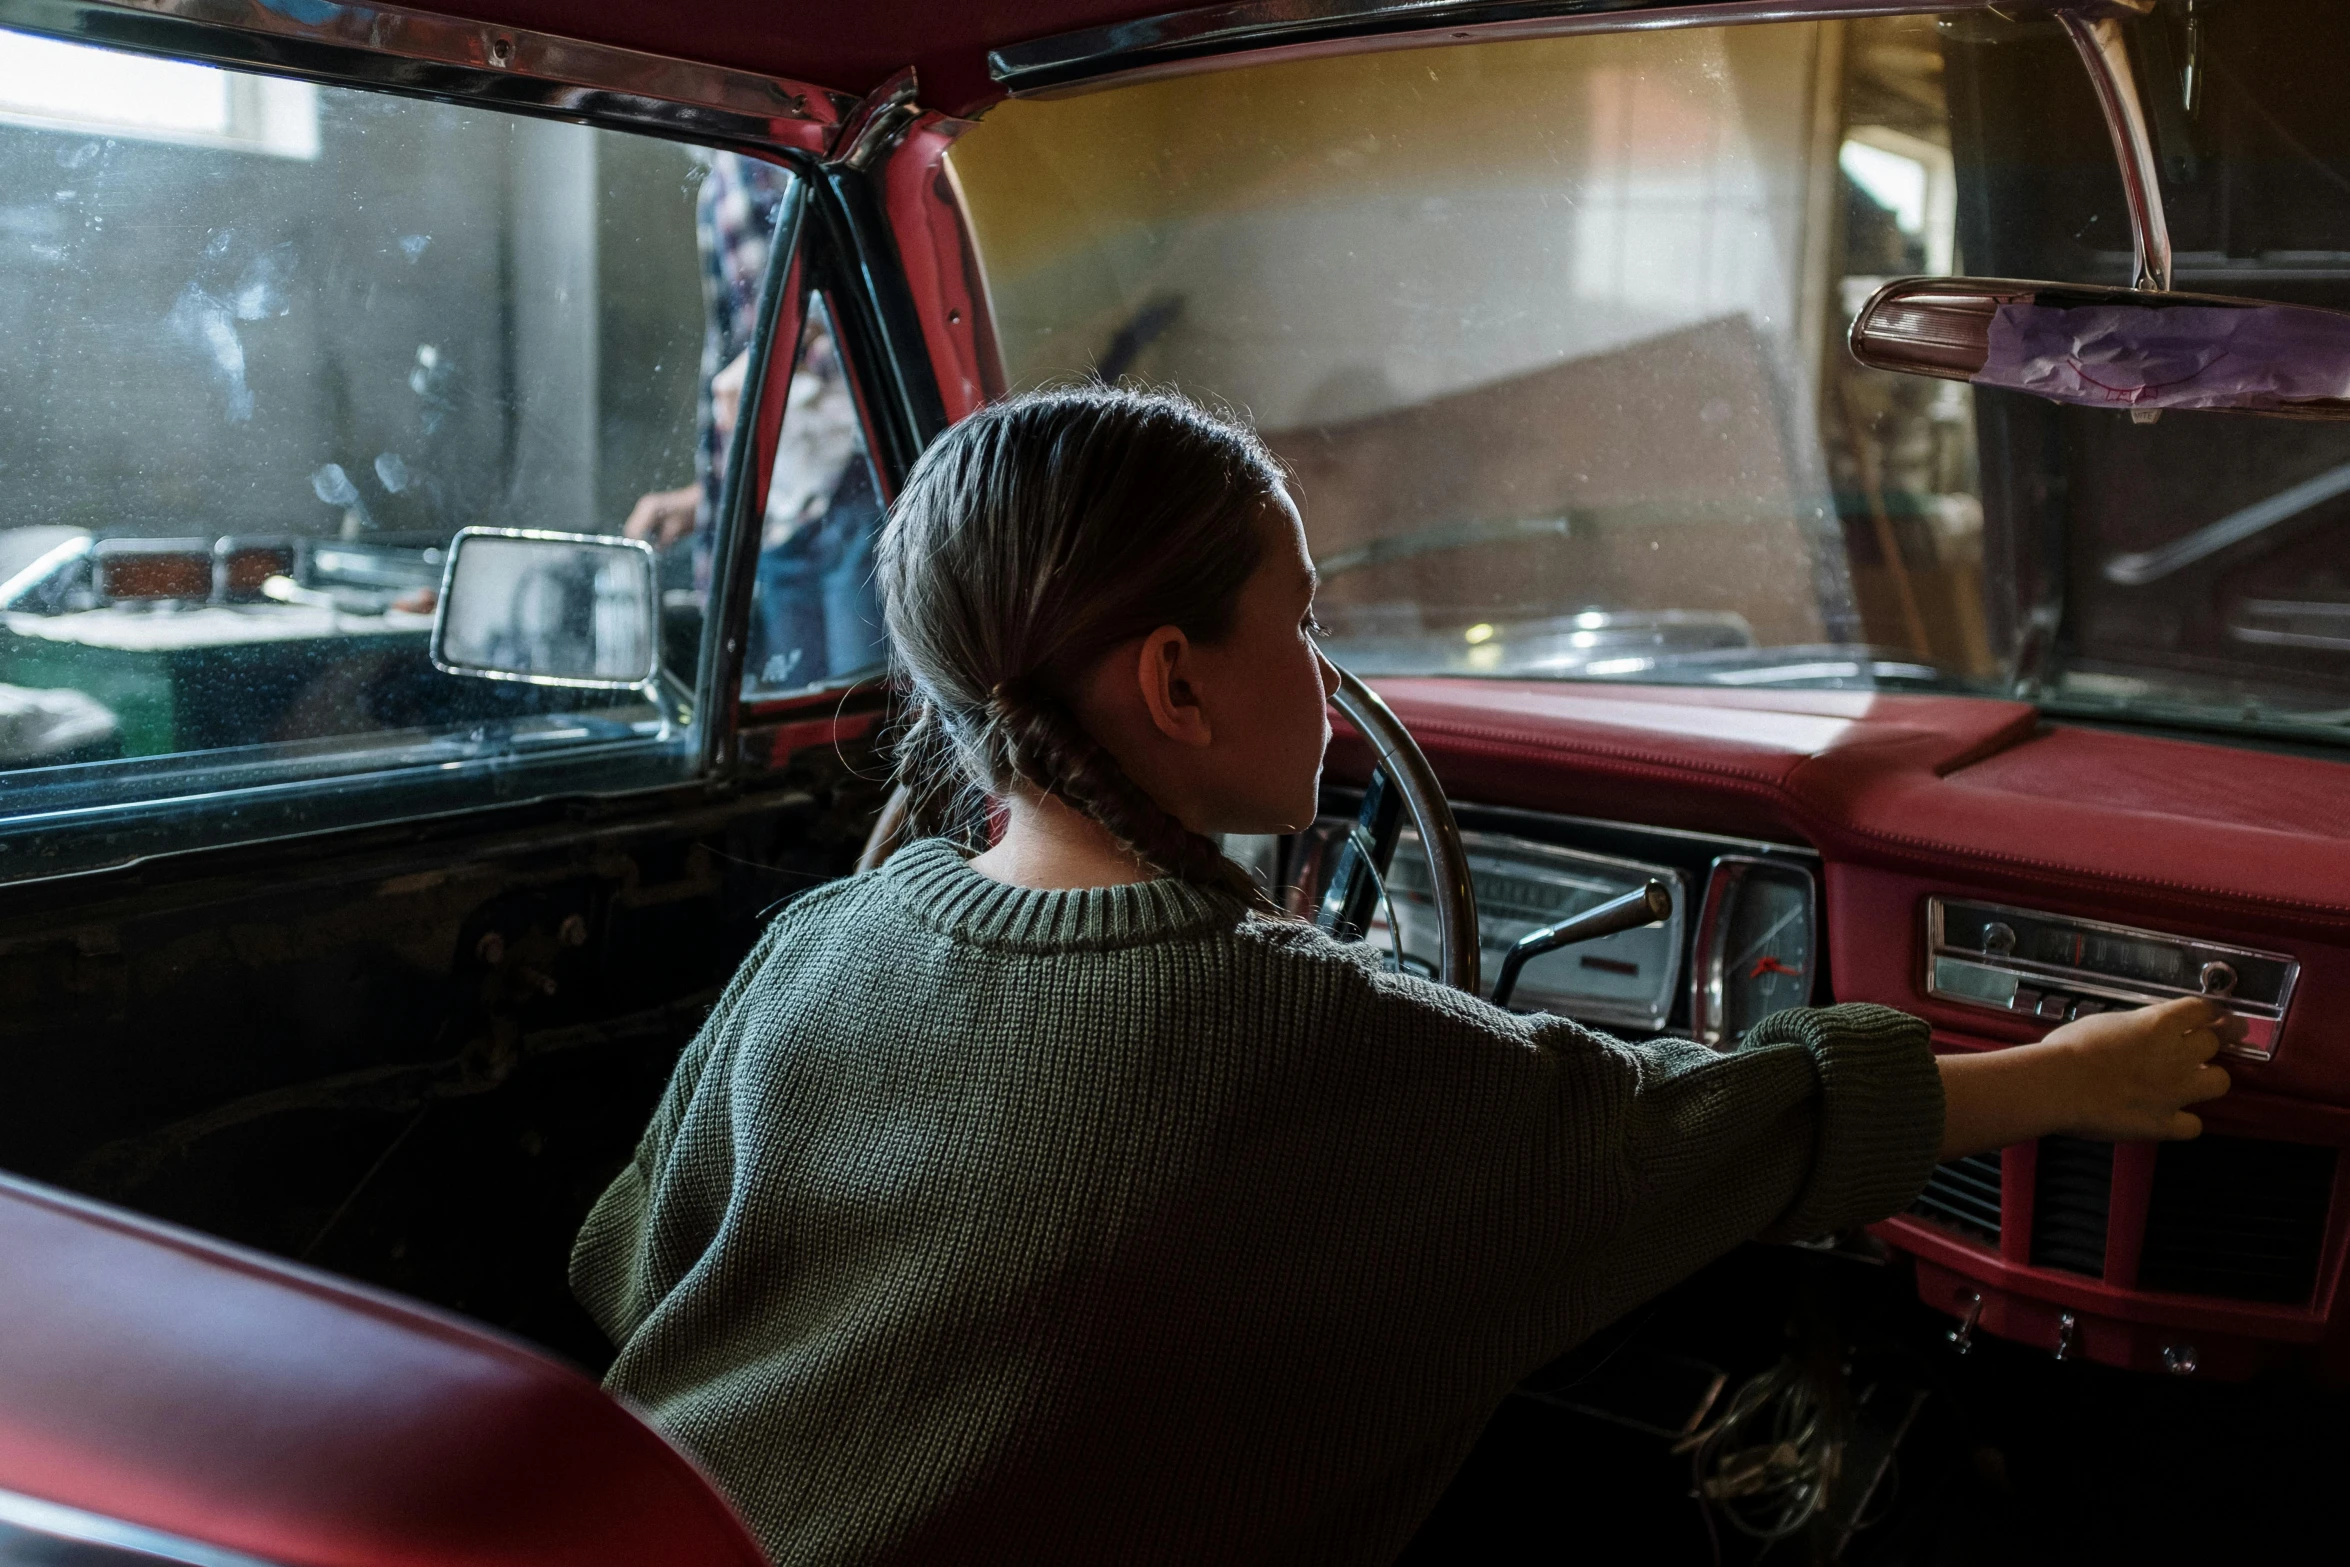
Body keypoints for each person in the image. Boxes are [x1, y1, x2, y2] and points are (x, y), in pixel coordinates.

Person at [570, 387, 2235, 1565]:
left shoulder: (820, 942)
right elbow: (1700, 1128)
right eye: (1299, 623)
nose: (1324, 668)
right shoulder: (1292, 1030)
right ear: (1176, 681)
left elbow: (627, 1263)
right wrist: (2082, 1073)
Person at [624, 152, 884, 690]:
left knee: (869, 733)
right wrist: (710, 497)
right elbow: (741, 365)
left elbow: (873, 272)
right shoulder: (723, 175)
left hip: (860, 501)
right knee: (794, 725)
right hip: (782, 520)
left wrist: (786, 342)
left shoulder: (778, 149)